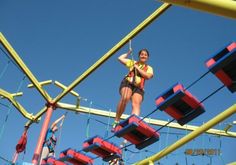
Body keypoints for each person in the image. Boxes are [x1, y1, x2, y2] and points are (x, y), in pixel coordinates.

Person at [112, 48, 154, 132]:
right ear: (139, 56)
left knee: (136, 104)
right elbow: (120, 58)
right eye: (142, 54)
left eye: (145, 55)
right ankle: (116, 120)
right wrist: (128, 53)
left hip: (138, 87)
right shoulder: (133, 62)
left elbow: (148, 76)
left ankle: (133, 122)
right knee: (125, 97)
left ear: (147, 57)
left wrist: (137, 68)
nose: (143, 55)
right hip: (128, 83)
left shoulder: (149, 68)